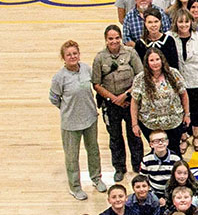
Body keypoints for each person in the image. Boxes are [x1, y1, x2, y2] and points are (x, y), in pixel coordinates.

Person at [50, 40, 105, 201]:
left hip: (90, 118)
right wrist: (68, 109)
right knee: (72, 156)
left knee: (93, 150)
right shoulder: (59, 77)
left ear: (79, 54)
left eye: (75, 53)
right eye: (69, 55)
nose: (72, 57)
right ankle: (75, 187)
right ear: (63, 58)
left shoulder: (87, 69)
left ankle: (96, 178)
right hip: (70, 123)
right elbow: (54, 98)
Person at [91, 26, 143, 182]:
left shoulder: (130, 53)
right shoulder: (100, 58)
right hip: (111, 104)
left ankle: (138, 165)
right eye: (110, 38)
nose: (114, 41)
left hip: (130, 101)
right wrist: (114, 98)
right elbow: (96, 84)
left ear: (120, 38)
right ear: (106, 40)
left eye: (116, 38)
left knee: (134, 135)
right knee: (115, 137)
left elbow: (140, 77)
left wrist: (125, 95)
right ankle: (119, 168)